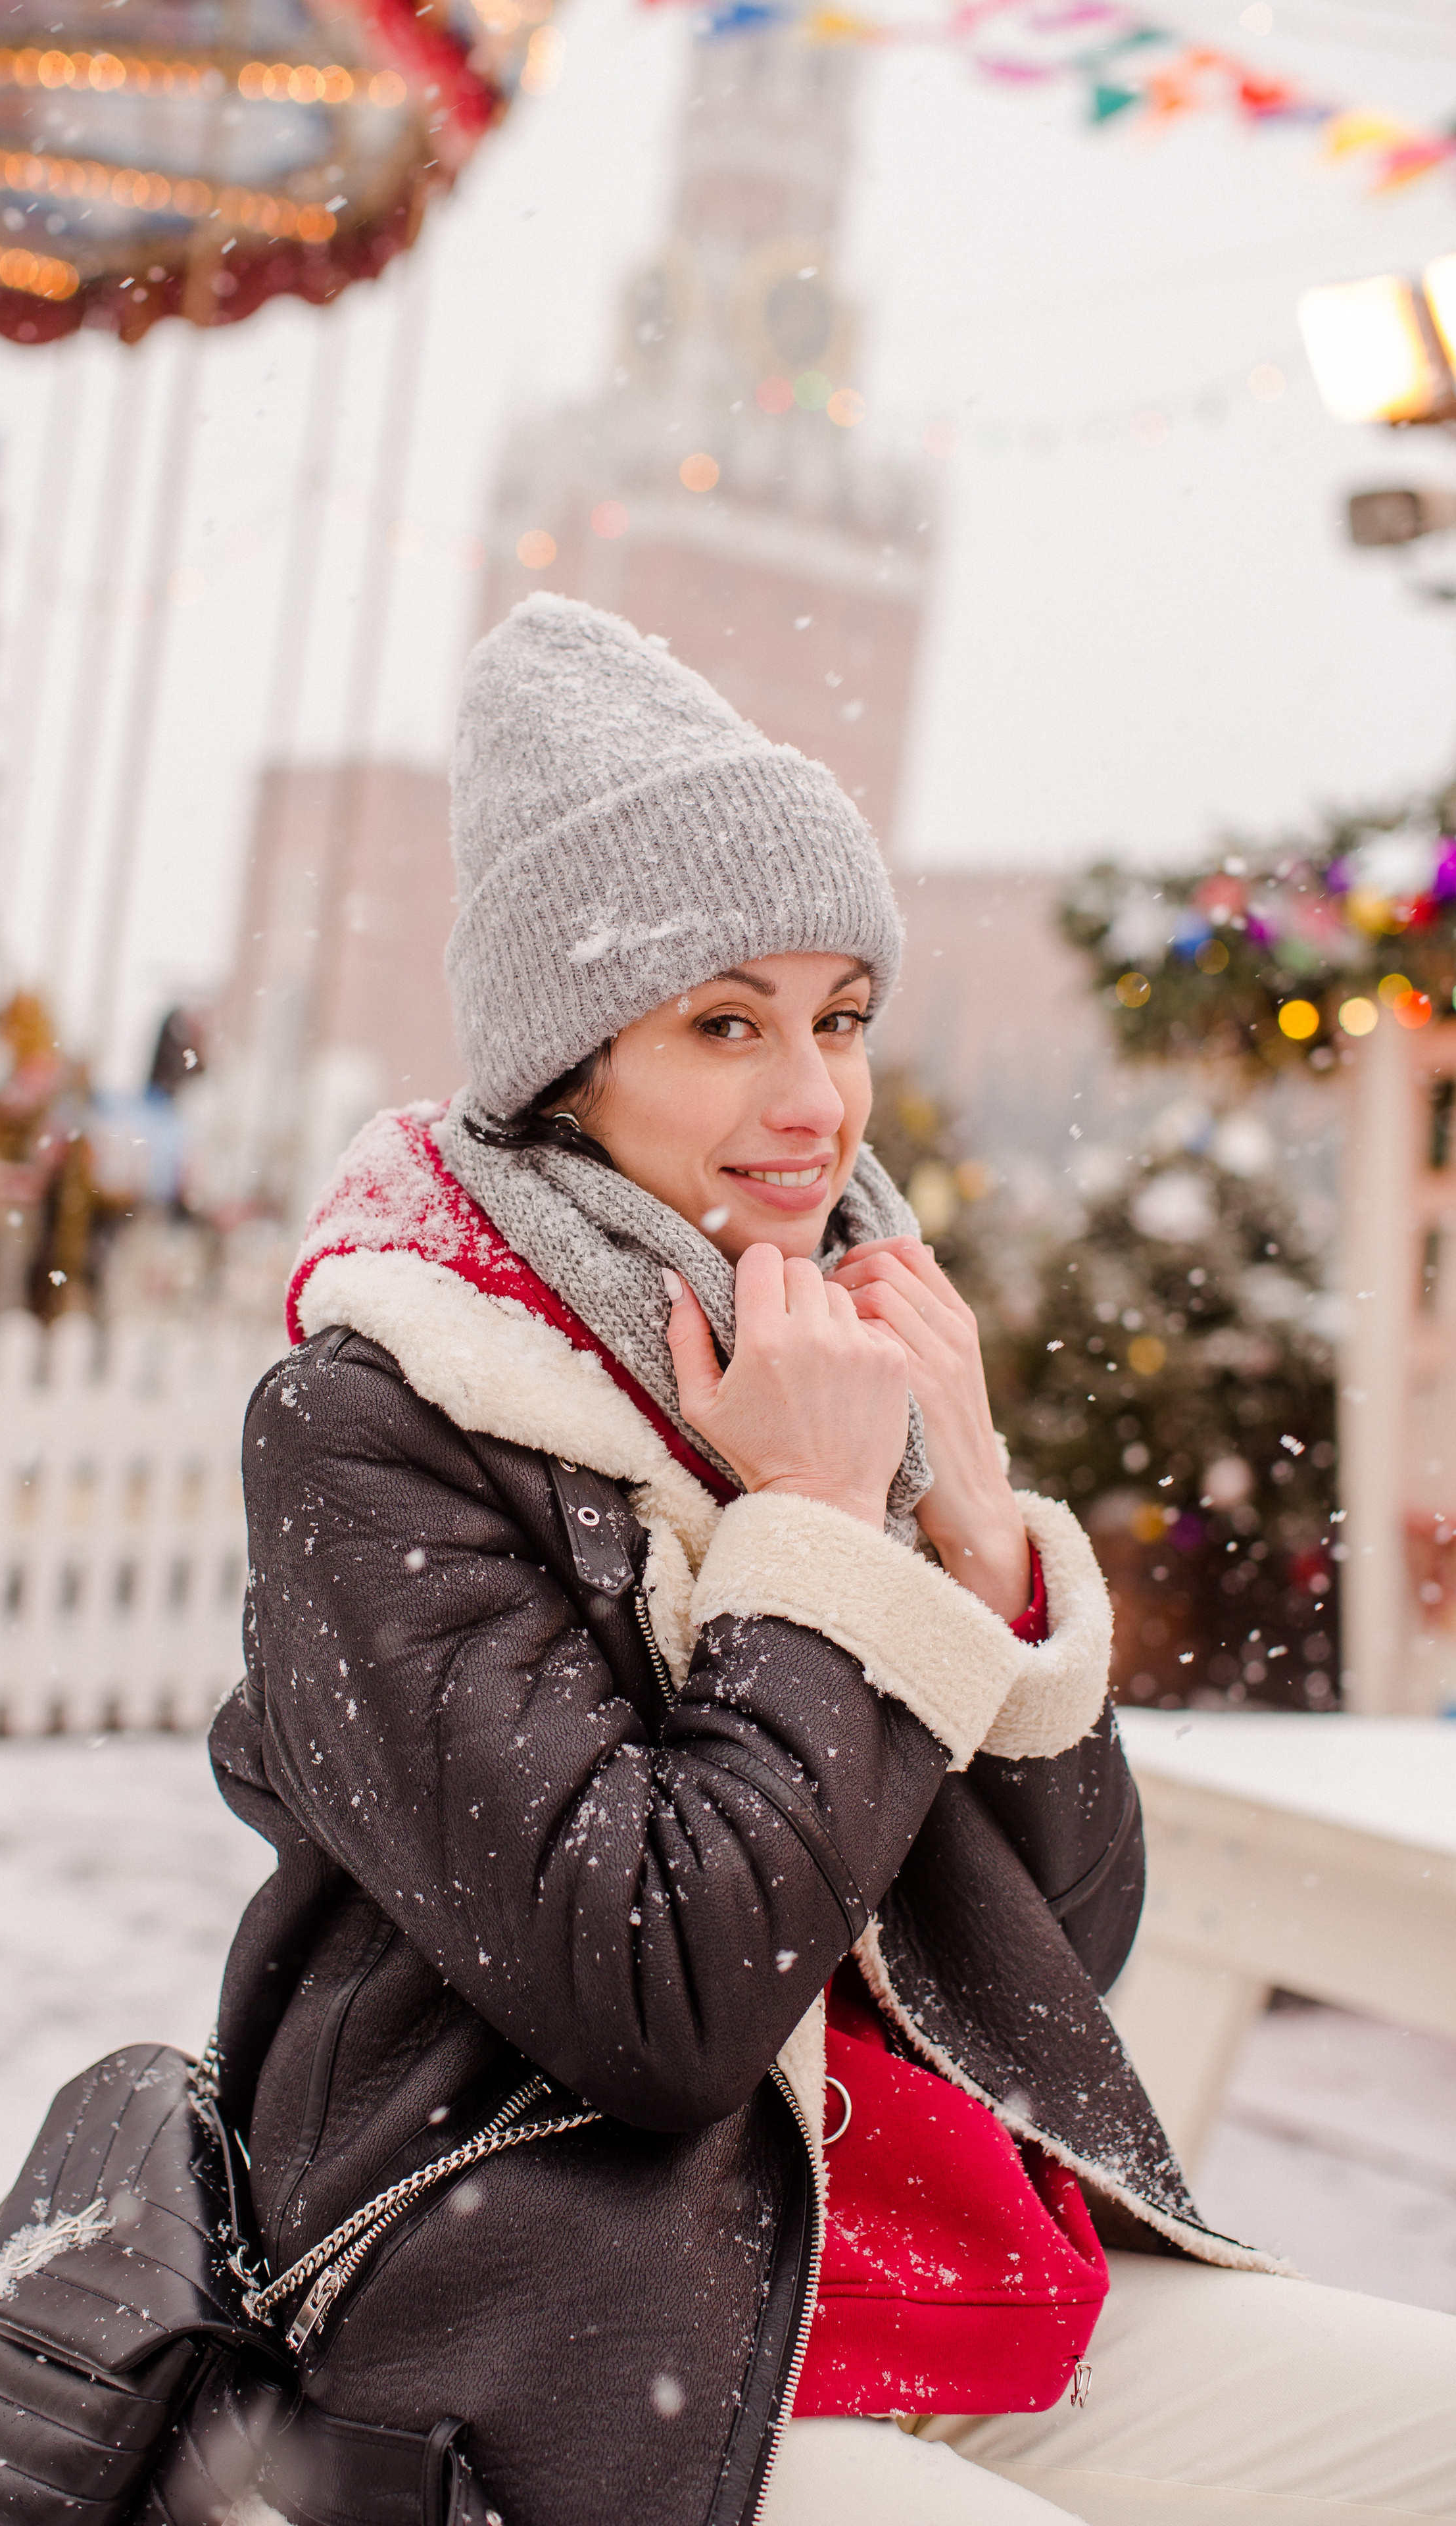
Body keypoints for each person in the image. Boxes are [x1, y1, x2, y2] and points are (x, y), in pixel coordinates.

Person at [210, 595, 1454, 2526]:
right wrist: (803, 1542)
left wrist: (968, 1535)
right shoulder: (379, 1428)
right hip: (588, 2323)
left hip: (943, 2281)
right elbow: (658, 2006)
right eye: (727, 1024)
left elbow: (1061, 1961)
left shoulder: (821, 1353)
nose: (816, 1102)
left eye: (841, 1018)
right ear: (564, 1066)